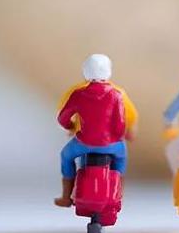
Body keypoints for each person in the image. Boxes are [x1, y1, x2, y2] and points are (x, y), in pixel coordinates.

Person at [54, 54, 138, 207]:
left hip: (83, 143)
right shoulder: (117, 94)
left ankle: (66, 196)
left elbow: (62, 117)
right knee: (121, 158)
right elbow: (121, 123)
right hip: (111, 144)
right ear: (109, 71)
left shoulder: (77, 93)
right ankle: (117, 194)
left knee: (65, 156)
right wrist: (119, 136)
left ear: (85, 71)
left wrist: (70, 127)